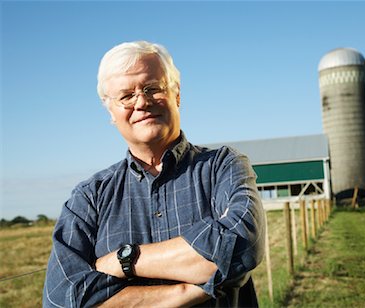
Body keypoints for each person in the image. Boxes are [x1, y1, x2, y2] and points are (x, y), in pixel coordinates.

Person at [42, 40, 266, 307]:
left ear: (177, 94)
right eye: (126, 96)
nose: (142, 102)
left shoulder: (223, 166)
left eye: (152, 88)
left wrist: (124, 260)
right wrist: (190, 292)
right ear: (110, 111)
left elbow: (242, 247)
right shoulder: (90, 197)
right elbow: (62, 298)